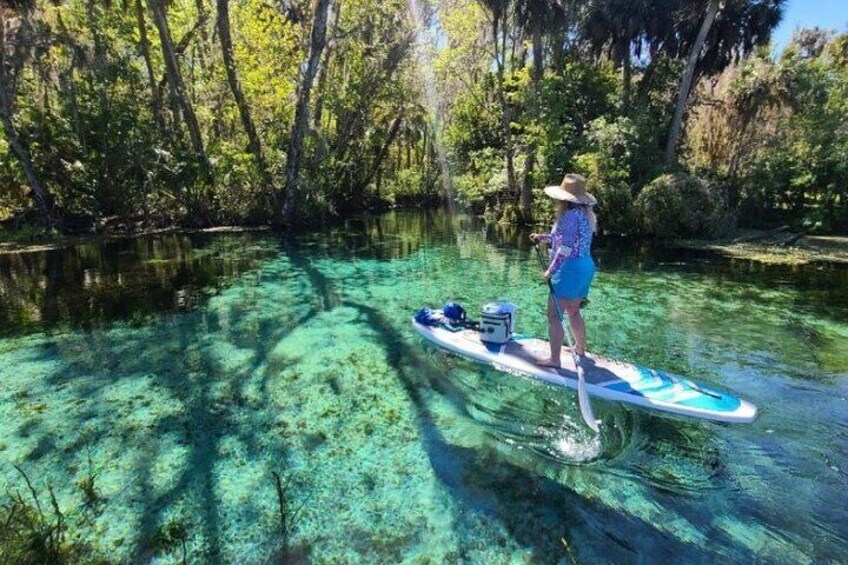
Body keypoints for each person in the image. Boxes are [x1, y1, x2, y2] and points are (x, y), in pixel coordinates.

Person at [529, 173, 597, 368]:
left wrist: (550, 270)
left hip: (569, 268)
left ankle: (555, 360)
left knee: (553, 315)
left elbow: (565, 249)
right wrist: (542, 238)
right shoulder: (585, 215)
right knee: (574, 312)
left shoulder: (568, 216)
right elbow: (564, 241)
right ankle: (580, 349)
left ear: (563, 198)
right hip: (585, 266)